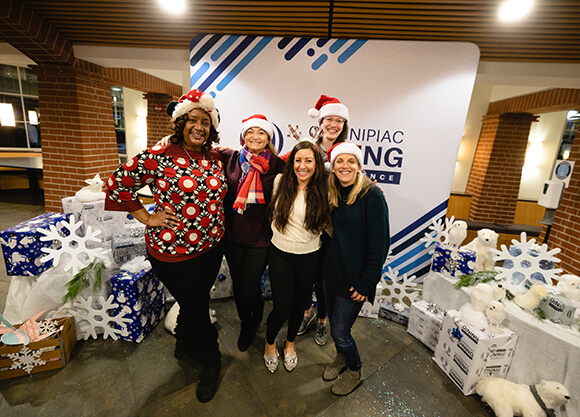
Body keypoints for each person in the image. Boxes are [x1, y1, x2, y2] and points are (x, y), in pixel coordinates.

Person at [105, 88, 227, 403]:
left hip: (212, 246)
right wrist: (146, 217)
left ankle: (186, 339)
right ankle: (212, 359)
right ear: (180, 122)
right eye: (193, 120)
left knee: (195, 302)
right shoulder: (160, 155)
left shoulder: (212, 156)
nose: (200, 127)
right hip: (174, 252)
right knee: (198, 305)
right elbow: (117, 183)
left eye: (205, 121)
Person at [321, 142, 390, 396]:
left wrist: (366, 283)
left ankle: (354, 370)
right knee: (333, 326)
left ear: (359, 166)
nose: (345, 166)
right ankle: (341, 358)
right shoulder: (333, 190)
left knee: (341, 331)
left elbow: (380, 243)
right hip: (331, 273)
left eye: (350, 161)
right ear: (333, 166)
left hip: (355, 278)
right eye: (340, 161)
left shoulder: (371, 195)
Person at [263, 140, 330, 373]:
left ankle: (289, 343)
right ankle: (270, 343)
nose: (303, 166)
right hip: (280, 252)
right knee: (281, 307)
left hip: (309, 255)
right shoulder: (281, 181)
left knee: (300, 305)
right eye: (298, 160)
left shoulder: (325, 188)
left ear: (316, 164)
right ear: (292, 162)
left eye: (308, 161)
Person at [220, 114, 285, 352]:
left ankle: (251, 322)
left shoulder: (279, 165)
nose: (254, 137)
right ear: (243, 136)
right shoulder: (230, 158)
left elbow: (308, 176)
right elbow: (200, 149)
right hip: (233, 235)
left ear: (268, 138)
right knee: (238, 285)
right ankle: (247, 320)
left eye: (261, 133)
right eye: (250, 132)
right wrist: (168, 140)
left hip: (261, 238)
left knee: (249, 285)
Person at [297, 95, 350, 345]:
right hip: (308, 221)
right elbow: (286, 166)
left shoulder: (347, 151)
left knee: (324, 276)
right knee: (306, 273)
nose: (334, 124)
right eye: (329, 118)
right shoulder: (309, 147)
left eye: (339, 120)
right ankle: (306, 313)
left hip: (333, 226)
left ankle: (322, 321)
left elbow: (356, 180)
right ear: (320, 121)